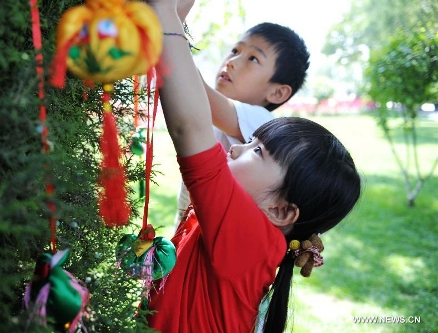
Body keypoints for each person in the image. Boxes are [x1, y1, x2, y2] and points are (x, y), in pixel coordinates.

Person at [145, 0, 361, 332]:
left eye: (257, 151)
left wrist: (164, 12)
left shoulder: (249, 236)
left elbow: (191, 125)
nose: (233, 152)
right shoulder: (255, 231)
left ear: (281, 210)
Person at [174, 3, 311, 225]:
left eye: (253, 59)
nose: (232, 61)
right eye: (236, 51)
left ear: (277, 92)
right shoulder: (219, 115)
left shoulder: (262, 122)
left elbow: (195, 91)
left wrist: (172, 27)